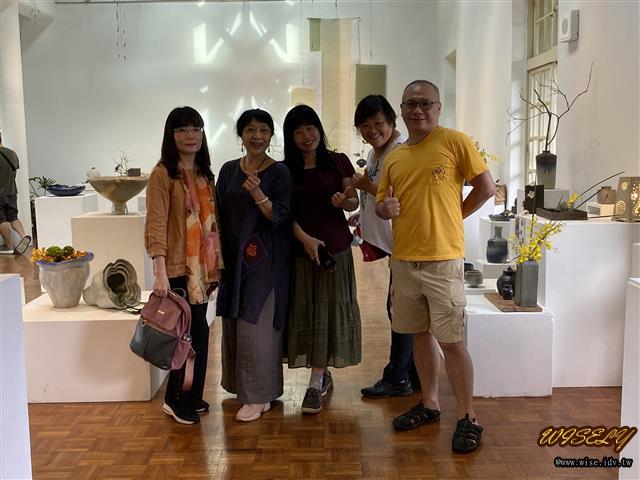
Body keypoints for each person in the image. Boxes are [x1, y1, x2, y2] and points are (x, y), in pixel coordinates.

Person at [376, 80, 495, 453]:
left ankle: (468, 416)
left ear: (438, 107)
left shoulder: (454, 141)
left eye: (425, 103)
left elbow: (486, 187)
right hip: (404, 260)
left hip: (443, 260)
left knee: (452, 341)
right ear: (401, 109)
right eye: (411, 104)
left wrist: (454, 215)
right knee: (418, 334)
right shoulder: (394, 156)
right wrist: (385, 209)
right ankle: (429, 404)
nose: (418, 110)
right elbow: (381, 202)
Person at [145, 106, 222, 425]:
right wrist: (160, 271)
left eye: (196, 129)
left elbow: (213, 226)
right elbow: (156, 224)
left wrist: (216, 268)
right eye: (182, 130)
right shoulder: (163, 174)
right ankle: (174, 399)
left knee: (198, 333)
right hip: (178, 268)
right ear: (171, 135)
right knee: (186, 336)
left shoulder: (204, 174)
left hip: (202, 269)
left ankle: (191, 395)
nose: (190, 135)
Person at [283, 104, 361, 414]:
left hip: (335, 249)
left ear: (319, 128)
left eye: (310, 127)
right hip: (301, 251)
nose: (306, 135)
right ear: (290, 137)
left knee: (329, 309)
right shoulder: (285, 170)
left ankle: (316, 381)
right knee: (310, 310)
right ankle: (321, 374)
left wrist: (345, 202)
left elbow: (353, 199)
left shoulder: (338, 161)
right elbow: (284, 213)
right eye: (298, 131)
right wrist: (305, 239)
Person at [216, 109, 293, 422]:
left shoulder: (280, 172)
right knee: (234, 323)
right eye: (250, 130)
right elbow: (219, 213)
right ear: (241, 135)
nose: (257, 136)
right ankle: (245, 388)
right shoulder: (228, 169)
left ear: (271, 136)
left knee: (256, 325)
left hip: (265, 260)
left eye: (263, 130)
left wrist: (258, 192)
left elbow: (280, 217)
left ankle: (259, 395)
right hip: (233, 258)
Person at [350, 95, 420, 399]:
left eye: (378, 123)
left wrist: (364, 186)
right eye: (365, 126)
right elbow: (378, 194)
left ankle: (398, 377)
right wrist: (362, 211)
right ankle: (414, 373)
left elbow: (400, 195)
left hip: (405, 243)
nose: (372, 130)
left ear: (392, 120)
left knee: (399, 312)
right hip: (394, 243)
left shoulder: (401, 151)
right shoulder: (375, 152)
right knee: (400, 310)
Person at [0, 132, 31, 255]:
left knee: (1, 219)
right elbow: (14, 172)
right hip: (12, 191)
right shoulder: (12, 153)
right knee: (13, 217)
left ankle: (9, 245)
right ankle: (23, 235)